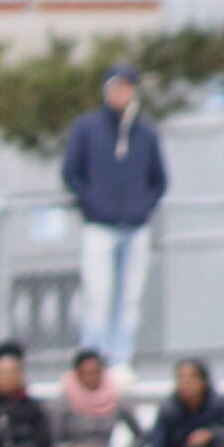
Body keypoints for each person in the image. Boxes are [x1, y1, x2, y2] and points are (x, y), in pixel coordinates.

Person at [60, 64, 167, 380]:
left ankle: (122, 358)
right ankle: (94, 358)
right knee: (98, 293)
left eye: (126, 87)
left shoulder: (145, 132)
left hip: (135, 227)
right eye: (115, 87)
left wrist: (140, 208)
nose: (120, 94)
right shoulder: (87, 128)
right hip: (100, 225)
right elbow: (71, 172)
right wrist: (93, 204)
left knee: (130, 296)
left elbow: (159, 180)